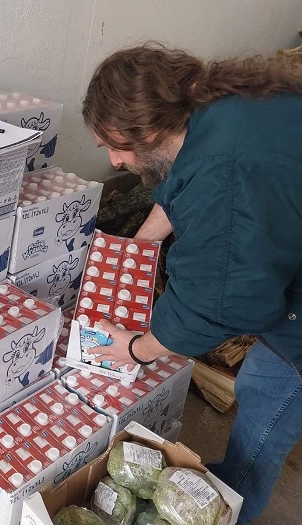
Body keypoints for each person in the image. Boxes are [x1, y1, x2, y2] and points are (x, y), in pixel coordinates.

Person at [82, 43, 302, 524]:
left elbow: (221, 301)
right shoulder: (215, 107)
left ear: (150, 130)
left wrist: (138, 349)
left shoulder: (224, 179)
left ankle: (221, 508)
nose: (115, 161)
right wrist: (136, 249)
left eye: (115, 147)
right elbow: (178, 184)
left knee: (266, 400)